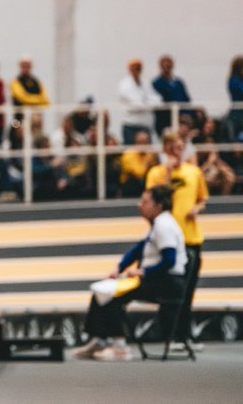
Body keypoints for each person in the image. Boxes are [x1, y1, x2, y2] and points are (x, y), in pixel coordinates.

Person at [75, 185, 186, 361]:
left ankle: (120, 347)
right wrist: (119, 268)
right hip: (157, 279)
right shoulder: (157, 225)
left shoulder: (164, 225)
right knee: (101, 292)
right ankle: (100, 339)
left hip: (168, 282)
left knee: (113, 296)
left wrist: (145, 272)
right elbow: (138, 249)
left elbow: (169, 260)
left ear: (158, 206)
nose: (140, 205)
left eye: (145, 201)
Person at [145, 132, 209, 351]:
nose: (177, 152)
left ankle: (183, 335)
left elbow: (203, 198)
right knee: (170, 290)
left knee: (187, 290)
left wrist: (196, 209)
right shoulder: (156, 173)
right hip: (166, 241)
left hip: (190, 238)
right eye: (172, 148)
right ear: (165, 150)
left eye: (180, 147)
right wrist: (168, 173)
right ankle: (168, 336)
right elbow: (155, 199)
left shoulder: (194, 172)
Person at [118, 59, 161, 143]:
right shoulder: (124, 85)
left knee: (147, 154)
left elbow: (157, 99)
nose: (137, 71)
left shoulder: (145, 82)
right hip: (131, 126)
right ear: (130, 69)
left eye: (139, 68)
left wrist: (145, 104)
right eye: (135, 68)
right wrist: (148, 103)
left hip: (146, 126)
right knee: (132, 153)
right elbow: (137, 104)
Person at [152, 54, 192, 135]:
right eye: (165, 66)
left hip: (181, 118)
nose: (167, 68)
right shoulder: (156, 83)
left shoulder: (179, 83)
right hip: (165, 120)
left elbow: (186, 99)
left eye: (169, 66)